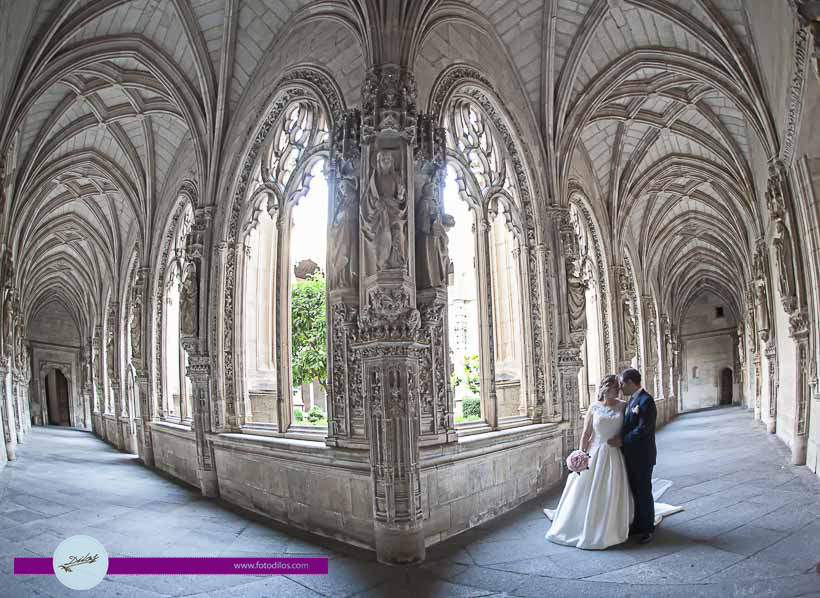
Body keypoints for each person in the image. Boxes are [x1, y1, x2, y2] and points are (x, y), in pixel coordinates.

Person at [544, 375, 634, 549]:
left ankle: (608, 524)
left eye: (616, 387)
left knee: (611, 488)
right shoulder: (594, 407)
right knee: (585, 488)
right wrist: (581, 455)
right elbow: (586, 434)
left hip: (614, 453)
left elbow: (629, 428)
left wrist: (622, 440)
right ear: (604, 388)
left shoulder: (624, 406)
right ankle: (580, 522)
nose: (615, 390)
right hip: (594, 452)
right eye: (611, 387)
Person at [608, 368, 656, 544]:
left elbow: (644, 428)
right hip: (631, 454)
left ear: (629, 382)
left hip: (643, 456)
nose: (620, 388)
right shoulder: (631, 401)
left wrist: (622, 440)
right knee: (635, 490)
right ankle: (638, 522)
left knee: (644, 491)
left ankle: (648, 528)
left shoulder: (646, 400)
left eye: (621, 384)